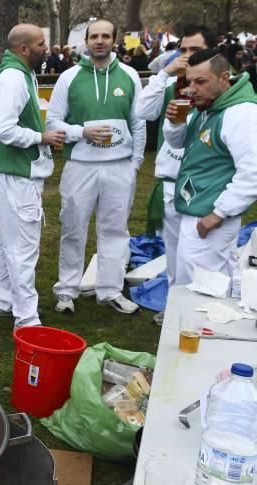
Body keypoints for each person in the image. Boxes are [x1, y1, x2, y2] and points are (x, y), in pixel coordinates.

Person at [47, 19, 146, 314]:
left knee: (115, 230)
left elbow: (138, 123)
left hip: (119, 167)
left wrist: (135, 164)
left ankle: (110, 290)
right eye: (94, 37)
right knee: (73, 228)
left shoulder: (129, 75)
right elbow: (53, 121)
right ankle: (66, 290)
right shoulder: (69, 77)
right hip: (80, 166)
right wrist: (82, 133)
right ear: (86, 41)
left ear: (114, 40)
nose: (100, 41)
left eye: (105, 36)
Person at [134, 24, 215, 325]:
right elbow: (143, 111)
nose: (188, 56)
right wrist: (164, 74)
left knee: (199, 255)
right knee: (173, 252)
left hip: (205, 186)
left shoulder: (218, 88)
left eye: (195, 50)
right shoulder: (174, 84)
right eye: (183, 50)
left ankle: (199, 311)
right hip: (171, 181)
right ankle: (173, 305)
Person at [0, 24, 65, 329]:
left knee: (9, 238)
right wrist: (40, 138)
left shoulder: (18, 75)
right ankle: (27, 317)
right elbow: (3, 129)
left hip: (13, 169)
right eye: (41, 44)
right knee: (23, 245)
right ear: (24, 49)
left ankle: (6, 299)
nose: (46, 48)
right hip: (18, 172)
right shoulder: (14, 78)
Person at [163, 49, 257, 285]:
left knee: (198, 287)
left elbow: (253, 171)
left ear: (224, 78)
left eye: (201, 81)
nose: (192, 89)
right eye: (190, 81)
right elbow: (178, 144)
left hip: (210, 215)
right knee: (210, 282)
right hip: (198, 209)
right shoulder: (210, 106)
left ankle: (196, 323)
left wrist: (219, 213)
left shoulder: (241, 113)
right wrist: (175, 123)